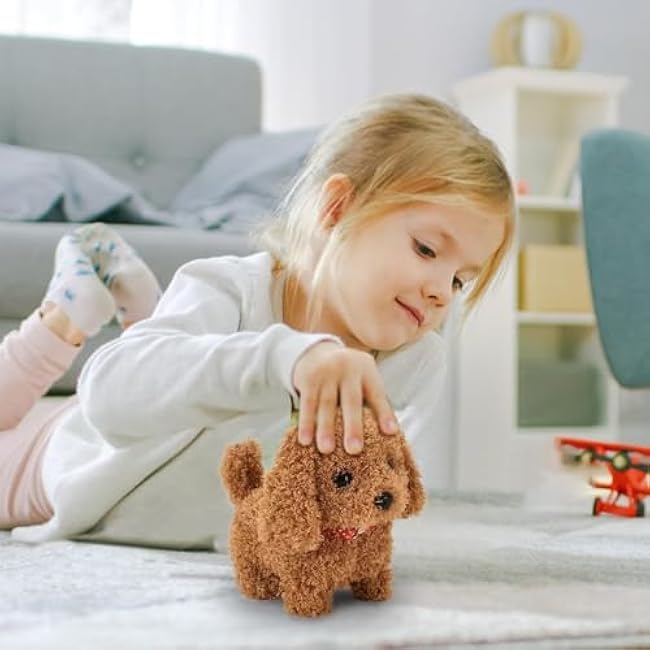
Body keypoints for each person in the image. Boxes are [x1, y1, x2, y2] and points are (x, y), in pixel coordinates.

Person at [0, 94, 514, 549]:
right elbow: (109, 393)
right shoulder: (230, 288)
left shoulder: (414, 365)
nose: (440, 292)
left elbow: (364, 497)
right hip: (67, 463)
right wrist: (282, 359)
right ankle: (63, 319)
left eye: (459, 281)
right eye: (426, 249)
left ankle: (140, 314)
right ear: (337, 208)